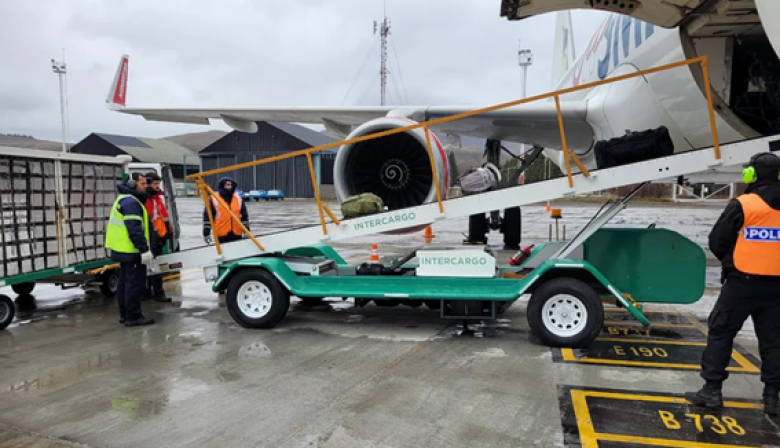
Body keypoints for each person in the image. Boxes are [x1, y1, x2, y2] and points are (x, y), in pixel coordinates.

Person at [686, 152, 780, 416]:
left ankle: (712, 390)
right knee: (774, 342)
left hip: (742, 282)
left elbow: (717, 241)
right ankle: (772, 398)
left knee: (721, 332)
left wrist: (733, 261)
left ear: (751, 175)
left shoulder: (745, 204)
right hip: (776, 287)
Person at [105, 172, 155, 327]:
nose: (146, 186)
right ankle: (133, 317)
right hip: (130, 250)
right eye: (142, 184)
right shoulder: (131, 202)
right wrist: (144, 249)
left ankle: (125, 315)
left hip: (122, 249)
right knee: (133, 284)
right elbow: (134, 229)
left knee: (124, 283)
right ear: (133, 184)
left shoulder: (124, 199)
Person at [143, 171, 172, 303]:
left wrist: (168, 232)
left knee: (154, 266)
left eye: (158, 183)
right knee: (154, 267)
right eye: (155, 183)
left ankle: (150, 292)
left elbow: (164, 217)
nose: (157, 186)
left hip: (158, 236)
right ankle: (155, 292)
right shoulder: (146, 200)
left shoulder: (156, 199)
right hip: (151, 237)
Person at [202, 176, 250, 245]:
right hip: (221, 234)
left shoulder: (238, 198)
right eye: (227, 185)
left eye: (231, 185)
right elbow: (207, 217)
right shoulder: (213, 199)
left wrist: (246, 230)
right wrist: (206, 233)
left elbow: (244, 216)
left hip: (236, 233)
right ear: (222, 185)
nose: (230, 187)